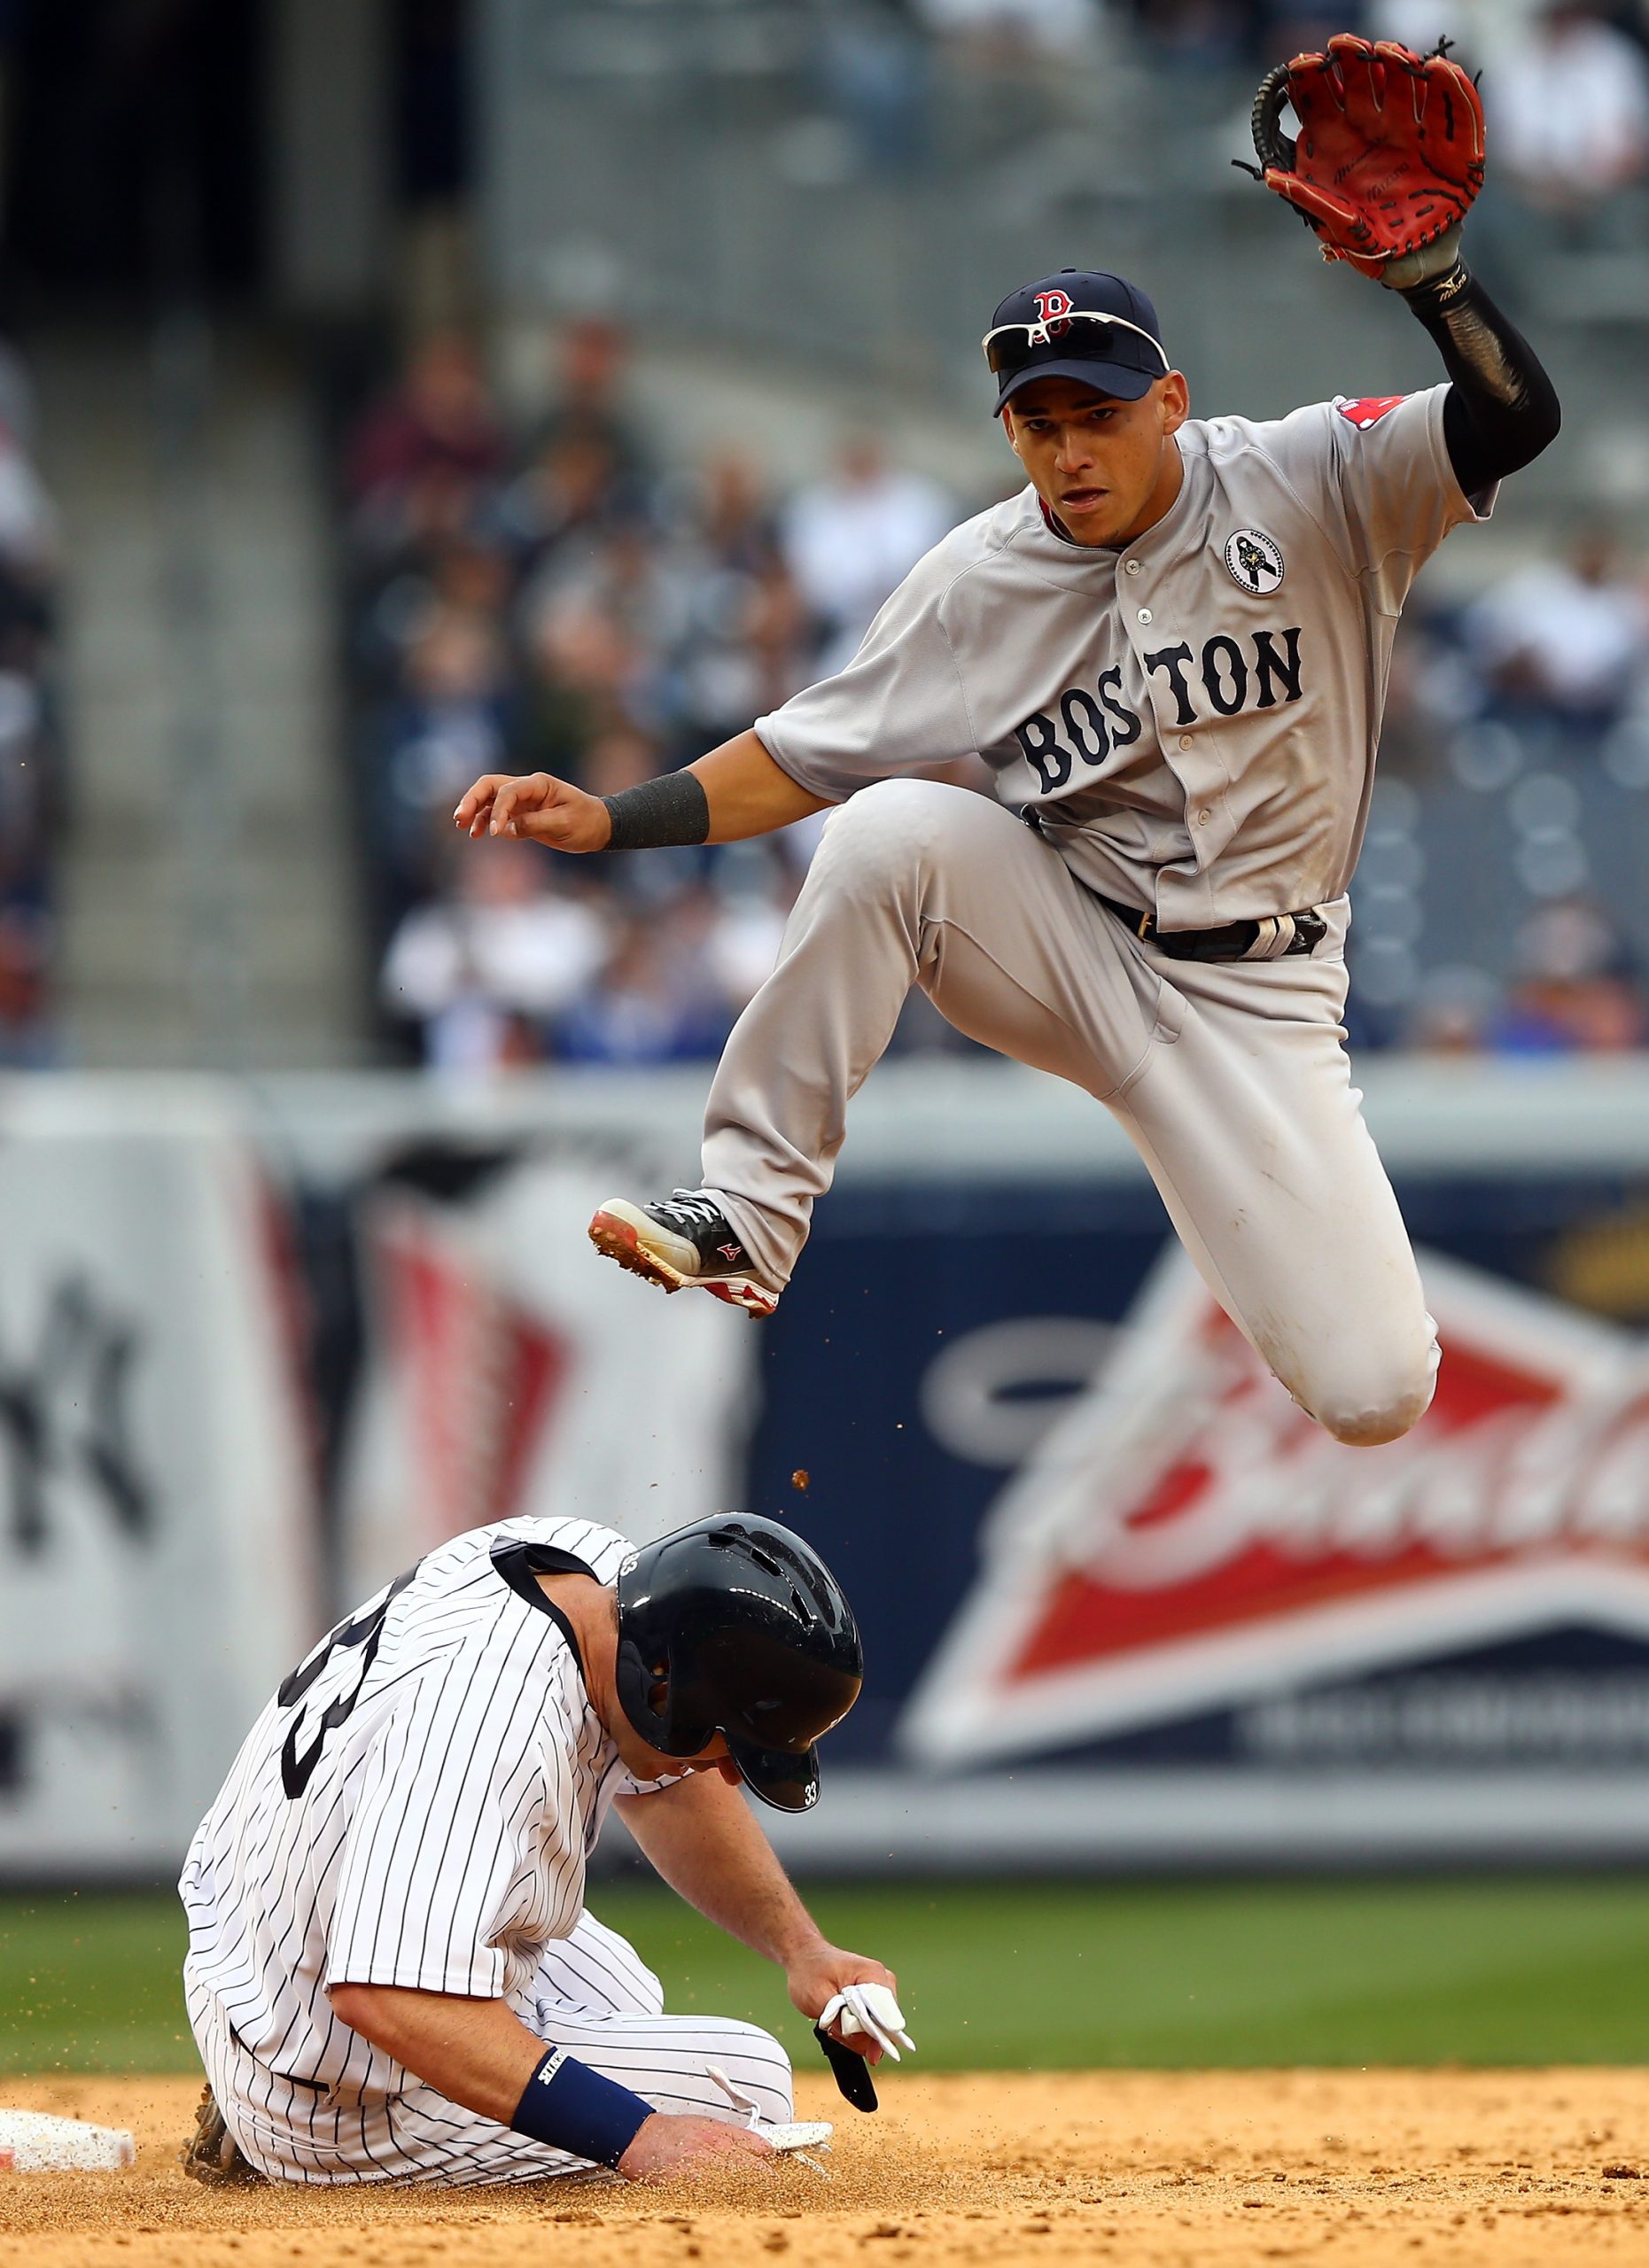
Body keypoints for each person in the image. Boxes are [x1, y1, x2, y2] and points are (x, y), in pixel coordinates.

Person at [454, 125, 1559, 1449]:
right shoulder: (979, 578)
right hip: (1072, 941)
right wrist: (611, 818)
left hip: (1261, 996)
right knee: (890, 831)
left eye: (1097, 415)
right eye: (1039, 425)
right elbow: (802, 754)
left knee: (1379, 1393)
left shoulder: (1309, 474)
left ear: (1169, 402)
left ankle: (1232, 1214)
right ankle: (747, 1208)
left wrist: (1437, 285)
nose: (1068, 452)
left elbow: (1515, 421)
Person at [179, 1513, 902, 2187]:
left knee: (619, 1990)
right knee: (743, 2080)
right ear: (662, 1691)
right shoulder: (487, 1734)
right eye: (731, 1745)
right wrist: (636, 2134)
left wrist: (800, 1948)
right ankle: (262, 2135)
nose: (731, 1773)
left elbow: (673, 1775)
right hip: (332, 2085)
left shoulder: (596, 1581)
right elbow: (386, 1994)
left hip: (269, 1920)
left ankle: (311, 2068)